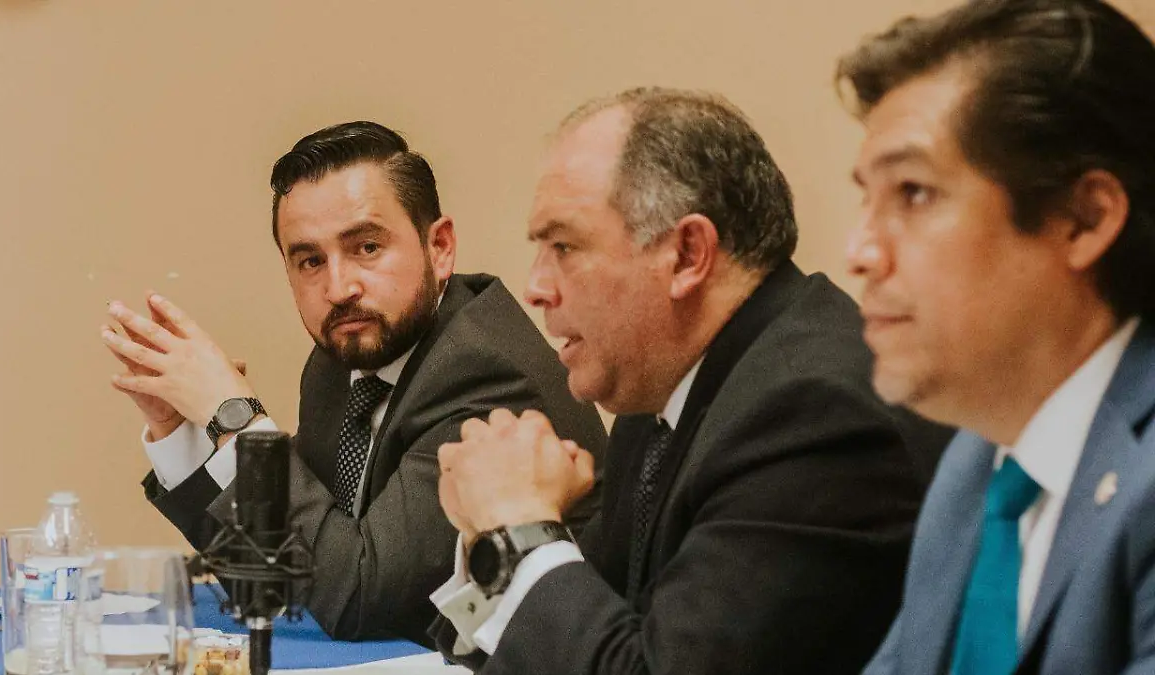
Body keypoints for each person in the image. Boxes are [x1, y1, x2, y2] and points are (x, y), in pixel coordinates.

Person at [428, 87, 952, 674]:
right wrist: (493, 533)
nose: (536, 288)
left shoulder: (811, 416)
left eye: (564, 246)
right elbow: (584, 639)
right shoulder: (661, 397)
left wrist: (516, 528)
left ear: (686, 255)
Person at [100, 121, 607, 646]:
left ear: (440, 246)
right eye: (310, 261)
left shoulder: (486, 374)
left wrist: (237, 418)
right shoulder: (339, 363)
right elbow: (291, 571)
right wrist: (181, 434)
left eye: (366, 247)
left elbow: (358, 597)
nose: (339, 289)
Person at [836, 1, 1155, 673]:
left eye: (913, 192)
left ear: (1082, 219)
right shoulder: (976, 464)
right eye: (868, 198)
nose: (858, 251)